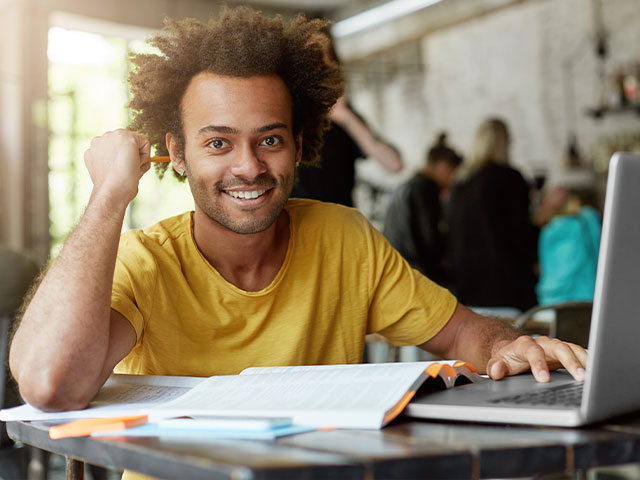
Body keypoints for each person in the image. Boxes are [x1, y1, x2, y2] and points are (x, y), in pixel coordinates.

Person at [10, 7, 586, 429]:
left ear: (299, 144)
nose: (248, 166)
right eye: (217, 144)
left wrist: (507, 344)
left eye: (269, 139)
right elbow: (50, 385)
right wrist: (109, 195)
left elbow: (463, 331)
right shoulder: (146, 262)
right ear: (176, 154)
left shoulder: (345, 238)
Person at [291, 29, 402, 207]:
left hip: (339, 227)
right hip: (295, 227)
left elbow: (394, 164)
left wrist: (345, 117)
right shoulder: (285, 113)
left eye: (324, 61)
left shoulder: (344, 117)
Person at [446, 118, 539, 312]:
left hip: (468, 288)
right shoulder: (510, 178)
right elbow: (522, 237)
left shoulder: (459, 184)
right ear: (504, 144)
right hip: (507, 287)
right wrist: (545, 214)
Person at [383, 133, 462, 284]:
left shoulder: (410, 186)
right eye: (453, 172)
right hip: (414, 272)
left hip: (399, 268)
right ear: (444, 166)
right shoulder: (424, 190)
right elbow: (429, 240)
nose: (453, 180)